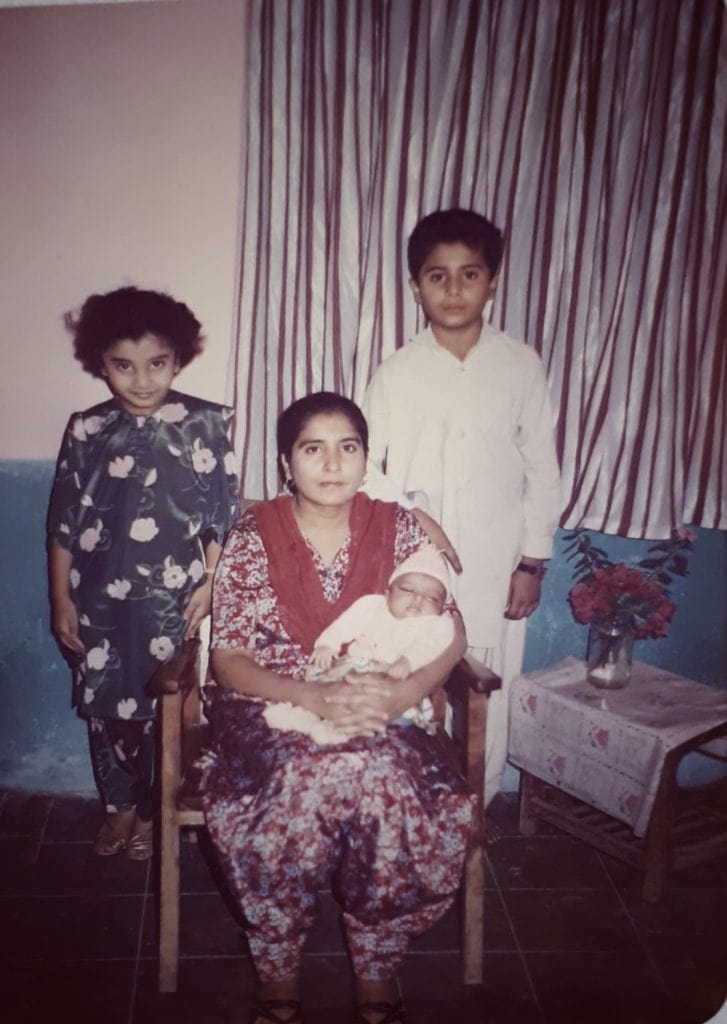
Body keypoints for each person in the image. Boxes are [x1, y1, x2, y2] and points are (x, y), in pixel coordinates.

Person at [202, 391, 472, 1024]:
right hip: (272, 703)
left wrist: (402, 694)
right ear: (285, 463)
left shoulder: (399, 529)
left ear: (365, 457)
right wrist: (315, 697)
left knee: (380, 772)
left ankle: (377, 963)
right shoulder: (253, 536)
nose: (331, 464)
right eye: (312, 448)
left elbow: (452, 629)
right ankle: (277, 961)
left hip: (383, 699)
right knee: (304, 773)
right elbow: (230, 659)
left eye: (347, 447)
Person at [362, 208, 561, 821]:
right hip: (414, 560)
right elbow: (366, 466)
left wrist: (531, 561)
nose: (453, 290)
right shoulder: (398, 370)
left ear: (493, 280)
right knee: (413, 662)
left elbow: (542, 469)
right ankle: (414, 797)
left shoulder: (519, 365)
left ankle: (478, 800)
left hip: (497, 554)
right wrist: (413, 516)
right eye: (437, 276)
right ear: (416, 285)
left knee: (487, 675)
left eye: (469, 274)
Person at [47, 286, 239, 860]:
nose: (140, 381)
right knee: (107, 713)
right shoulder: (86, 429)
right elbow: (62, 523)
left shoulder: (207, 422)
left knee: (171, 710)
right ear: (99, 363)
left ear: (177, 359)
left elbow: (222, 519)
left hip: (175, 600)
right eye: (122, 366)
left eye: (156, 364)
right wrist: (61, 600)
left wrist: (210, 585)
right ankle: (120, 810)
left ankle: (159, 811)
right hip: (98, 600)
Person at [264, 544, 455, 743]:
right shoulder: (373, 607)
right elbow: (346, 624)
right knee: (330, 689)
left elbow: (431, 646)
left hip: (394, 682)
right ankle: (301, 717)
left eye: (431, 598)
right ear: (388, 594)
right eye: (407, 589)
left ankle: (336, 732)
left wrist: (409, 661)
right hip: (356, 668)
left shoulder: (437, 625)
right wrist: (328, 644)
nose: (418, 599)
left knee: (388, 714)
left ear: (441, 608)